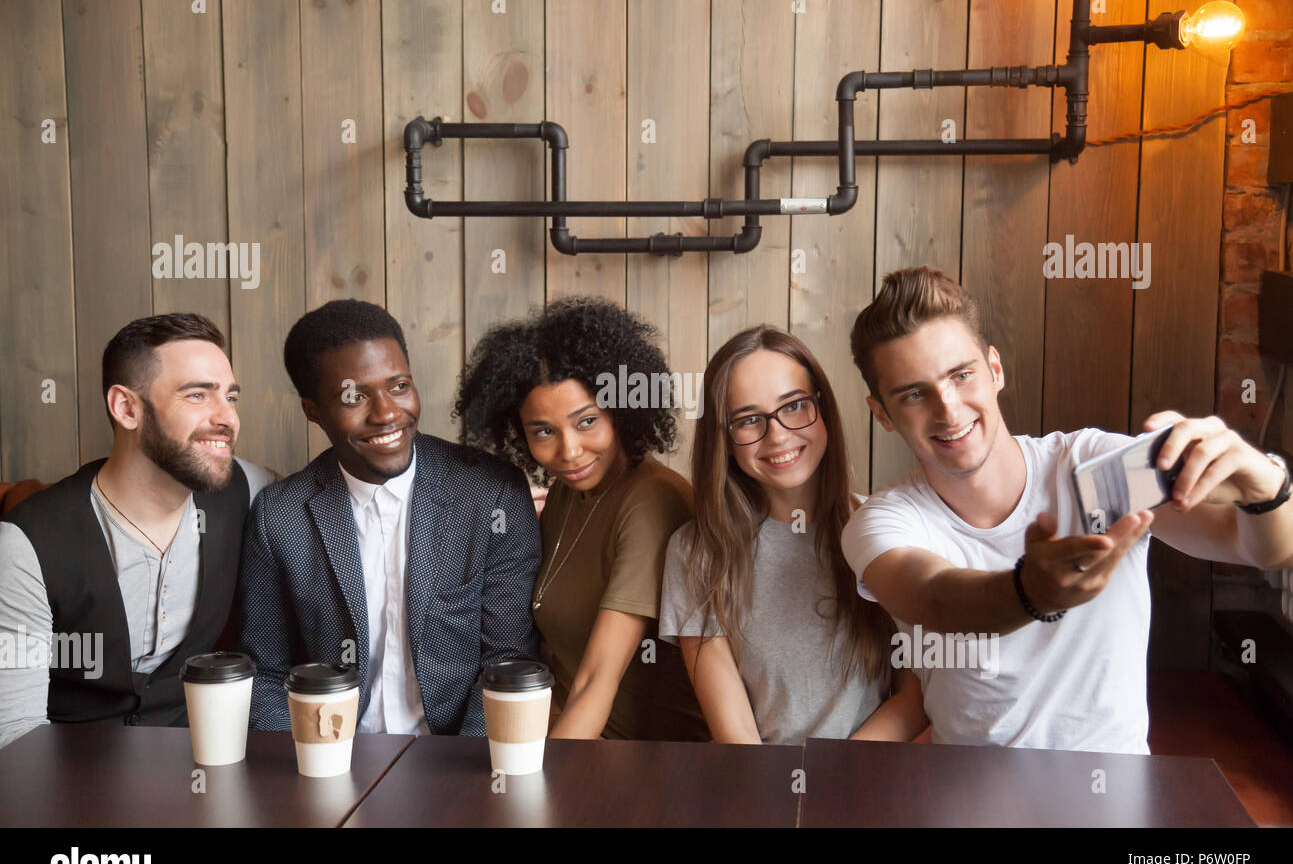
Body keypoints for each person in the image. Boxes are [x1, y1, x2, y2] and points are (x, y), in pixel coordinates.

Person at [841, 266, 1293, 753]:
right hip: (968, 796)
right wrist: (1030, 591)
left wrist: (1265, 482)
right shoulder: (886, 520)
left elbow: (1274, 550)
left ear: (994, 370)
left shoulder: (1096, 471)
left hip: (1115, 799)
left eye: (961, 375)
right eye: (914, 394)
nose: (949, 409)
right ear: (882, 414)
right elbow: (935, 598)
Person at [236, 300, 540, 736]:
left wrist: (462, 775)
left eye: (398, 386)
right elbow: (264, 673)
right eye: (354, 396)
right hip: (332, 758)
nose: (387, 414)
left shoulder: (490, 493)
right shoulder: (280, 516)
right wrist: (321, 763)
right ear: (313, 410)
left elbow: (508, 660)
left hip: (456, 760)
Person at [0, 314, 274, 749]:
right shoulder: (25, 544)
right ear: (127, 408)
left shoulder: (247, 489)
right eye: (198, 394)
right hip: (70, 784)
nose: (227, 418)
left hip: (198, 768)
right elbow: (14, 738)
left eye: (231, 397)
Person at [455, 297, 709, 741]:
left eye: (586, 421)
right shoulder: (568, 493)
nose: (568, 452)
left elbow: (596, 681)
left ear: (622, 411)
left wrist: (538, 796)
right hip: (566, 737)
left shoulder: (650, 502)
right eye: (544, 432)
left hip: (643, 762)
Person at [657, 326, 926, 744]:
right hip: (756, 787)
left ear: (822, 408)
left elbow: (914, 695)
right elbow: (736, 734)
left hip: (869, 775)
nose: (778, 434)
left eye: (795, 406)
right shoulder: (697, 552)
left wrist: (835, 778)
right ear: (724, 440)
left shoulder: (886, 529)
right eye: (748, 420)